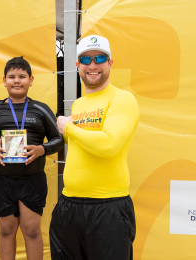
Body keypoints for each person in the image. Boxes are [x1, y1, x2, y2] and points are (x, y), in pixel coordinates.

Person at [50, 35, 139, 260]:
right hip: (69, 204)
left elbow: (109, 144)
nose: (92, 65)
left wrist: (68, 129)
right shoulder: (79, 104)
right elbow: (85, 143)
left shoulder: (122, 98)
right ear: (77, 64)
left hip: (108, 207)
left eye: (99, 58)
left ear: (110, 63)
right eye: (86, 59)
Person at [0, 56, 64, 260]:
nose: (17, 81)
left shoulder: (41, 109)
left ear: (31, 80)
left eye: (22, 76)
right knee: (6, 230)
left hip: (33, 180)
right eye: (12, 76)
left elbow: (59, 140)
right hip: (1, 181)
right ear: (4, 80)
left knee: (31, 230)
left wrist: (41, 149)